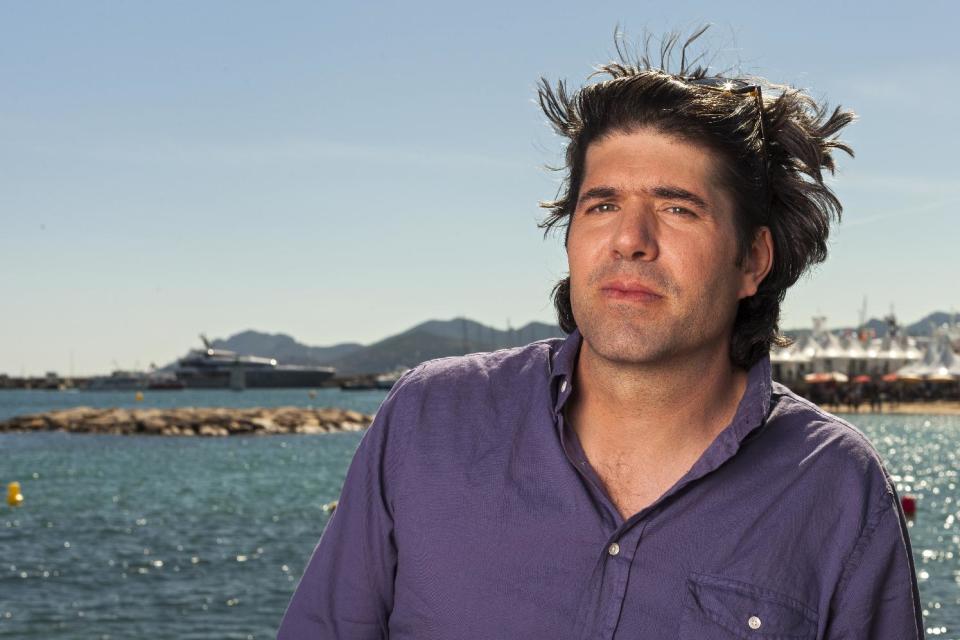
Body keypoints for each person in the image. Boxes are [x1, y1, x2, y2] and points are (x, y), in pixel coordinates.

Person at [278, 30, 924, 639]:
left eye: (677, 208)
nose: (629, 241)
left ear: (754, 260)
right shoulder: (429, 419)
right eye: (603, 205)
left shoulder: (837, 487)